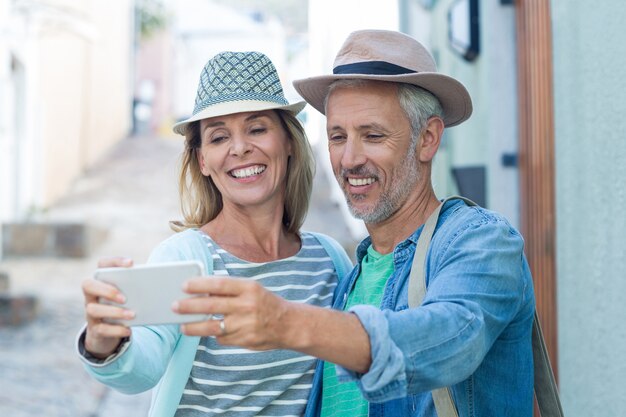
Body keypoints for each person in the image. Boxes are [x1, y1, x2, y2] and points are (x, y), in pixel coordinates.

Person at [173, 30, 536, 417]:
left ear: (428, 138)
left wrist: (286, 322)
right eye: (337, 136)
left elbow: (451, 337)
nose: (349, 159)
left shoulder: (481, 242)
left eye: (373, 136)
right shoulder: (348, 277)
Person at [76, 51, 352, 417]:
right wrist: (106, 343)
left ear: (288, 142)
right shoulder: (186, 257)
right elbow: (143, 365)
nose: (239, 148)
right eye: (219, 137)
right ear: (203, 160)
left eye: (257, 129)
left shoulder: (330, 260)